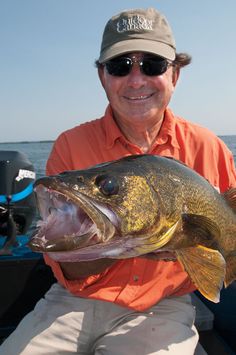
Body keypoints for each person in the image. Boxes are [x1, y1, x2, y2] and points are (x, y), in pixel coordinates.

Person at [1, 7, 236, 355]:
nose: (136, 79)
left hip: (164, 306)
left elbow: (224, 240)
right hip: (73, 300)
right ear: (102, 76)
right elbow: (65, 266)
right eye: (120, 66)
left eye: (153, 65)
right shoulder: (70, 144)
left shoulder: (208, 147)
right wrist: (119, 243)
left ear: (175, 74)